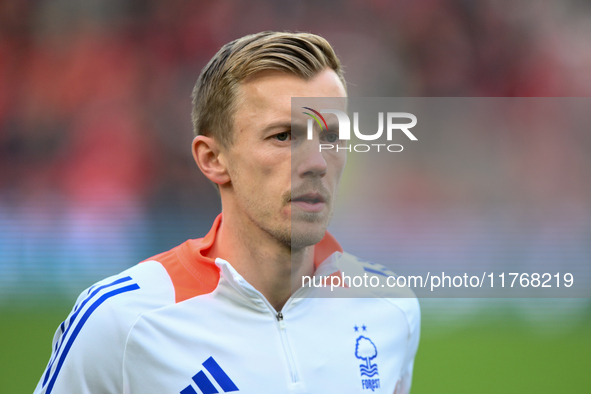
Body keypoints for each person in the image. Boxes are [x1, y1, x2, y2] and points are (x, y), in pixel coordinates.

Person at [34, 31, 420, 394]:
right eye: (283, 136)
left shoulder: (391, 308)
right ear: (213, 159)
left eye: (331, 136)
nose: (317, 162)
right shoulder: (122, 320)